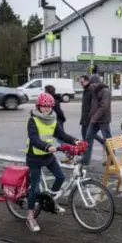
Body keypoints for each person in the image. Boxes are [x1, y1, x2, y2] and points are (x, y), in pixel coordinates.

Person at [25, 92, 80, 232]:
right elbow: (34, 139)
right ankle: (30, 217)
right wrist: (47, 147)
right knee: (35, 189)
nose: (47, 108)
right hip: (34, 157)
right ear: (38, 106)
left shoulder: (53, 118)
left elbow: (60, 134)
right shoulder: (33, 120)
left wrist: (75, 140)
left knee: (60, 177)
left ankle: (51, 201)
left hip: (48, 156)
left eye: (49, 106)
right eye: (44, 106)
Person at [81, 75, 113, 166]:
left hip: (103, 120)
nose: (92, 85)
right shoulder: (95, 90)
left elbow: (104, 106)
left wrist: (94, 117)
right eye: (91, 84)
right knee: (88, 138)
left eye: (93, 83)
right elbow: (93, 104)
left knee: (107, 139)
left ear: (97, 82)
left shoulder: (105, 91)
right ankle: (85, 160)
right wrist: (91, 116)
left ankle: (111, 159)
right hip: (94, 120)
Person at [44, 85, 70, 163]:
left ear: (48, 92)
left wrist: (62, 118)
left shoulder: (52, 100)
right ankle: (69, 153)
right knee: (59, 138)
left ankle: (69, 154)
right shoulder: (54, 99)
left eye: (45, 91)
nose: (44, 92)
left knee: (60, 139)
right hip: (56, 121)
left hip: (56, 122)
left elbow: (58, 111)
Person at [78, 75, 104, 144]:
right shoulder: (86, 90)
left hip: (89, 117)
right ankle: (85, 149)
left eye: (82, 82)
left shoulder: (91, 90)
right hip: (85, 116)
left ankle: (103, 143)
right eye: (80, 83)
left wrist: (91, 115)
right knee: (85, 133)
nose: (81, 84)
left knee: (89, 134)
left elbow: (95, 104)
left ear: (87, 81)